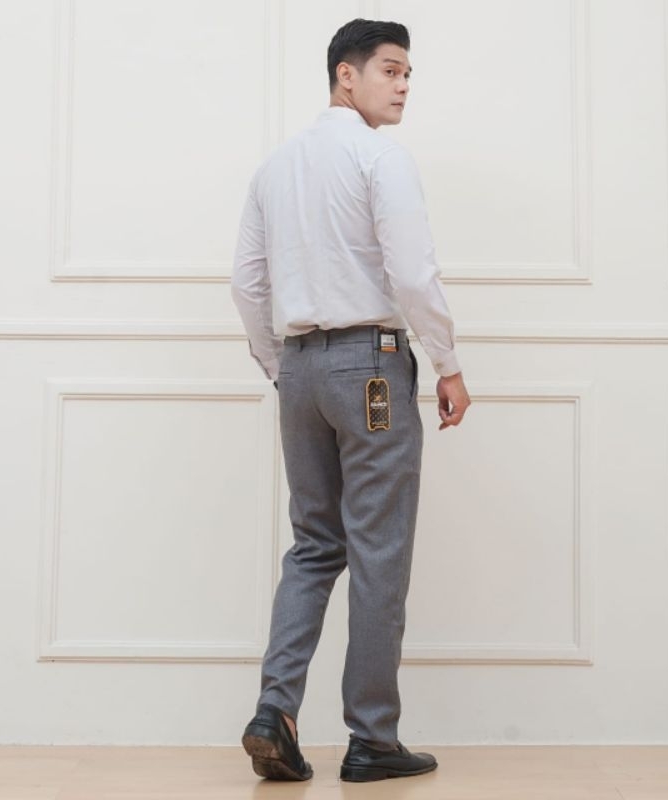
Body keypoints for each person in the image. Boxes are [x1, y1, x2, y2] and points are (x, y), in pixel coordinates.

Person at [231, 18, 471, 783]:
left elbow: (247, 284)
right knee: (377, 548)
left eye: (408, 75)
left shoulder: (275, 168)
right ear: (346, 74)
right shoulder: (378, 157)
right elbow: (412, 273)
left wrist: (283, 367)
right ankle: (372, 737)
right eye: (391, 71)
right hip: (370, 367)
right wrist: (448, 363)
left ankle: (275, 712)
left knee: (313, 545)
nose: (403, 87)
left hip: (299, 370)